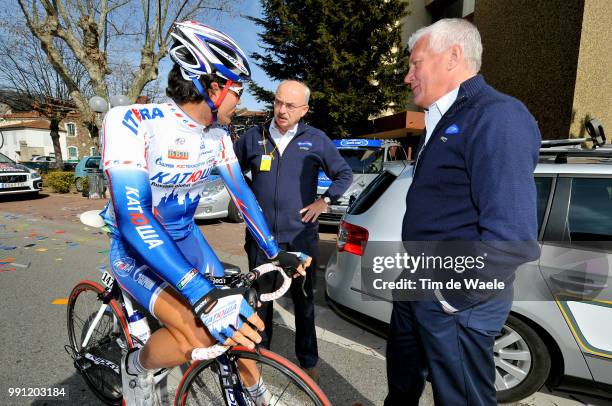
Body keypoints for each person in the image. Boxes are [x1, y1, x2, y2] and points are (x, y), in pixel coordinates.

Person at [100, 21, 310, 406]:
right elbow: (134, 218)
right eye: (237, 92)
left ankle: (261, 398)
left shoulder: (217, 136)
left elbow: (242, 194)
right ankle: (136, 367)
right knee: (196, 335)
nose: (240, 101)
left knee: (239, 322)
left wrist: (274, 249)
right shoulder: (131, 121)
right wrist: (200, 292)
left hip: (186, 241)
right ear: (214, 88)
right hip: (136, 249)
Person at [385, 19, 541, 405]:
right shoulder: (442, 119)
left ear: (453, 55)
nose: (408, 76)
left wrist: (450, 296)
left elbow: (513, 240)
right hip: (419, 284)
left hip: (455, 297)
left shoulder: (497, 115)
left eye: (416, 63)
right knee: (402, 388)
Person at [234, 80, 353, 379]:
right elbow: (230, 169)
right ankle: (260, 355)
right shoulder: (254, 137)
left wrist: (323, 202)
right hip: (260, 238)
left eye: (290, 105)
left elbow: (344, 174)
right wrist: (247, 197)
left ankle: (308, 361)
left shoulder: (316, 140)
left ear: (304, 110)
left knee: (303, 301)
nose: (281, 110)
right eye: (278, 102)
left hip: (300, 237)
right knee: (260, 298)